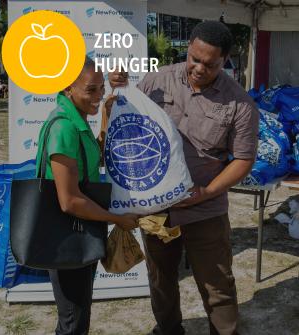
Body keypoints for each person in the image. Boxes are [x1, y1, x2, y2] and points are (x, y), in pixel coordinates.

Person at [109, 21, 259, 335]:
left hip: (205, 209)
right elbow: (127, 123)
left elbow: (243, 160)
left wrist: (205, 192)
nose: (199, 68)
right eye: (194, 58)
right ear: (189, 47)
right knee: (161, 279)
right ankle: (168, 330)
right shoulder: (157, 81)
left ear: (225, 61)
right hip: (156, 209)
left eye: (210, 63)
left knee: (217, 284)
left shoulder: (240, 103)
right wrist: (117, 93)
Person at [36, 57, 139, 335]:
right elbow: (69, 201)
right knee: (73, 322)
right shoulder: (65, 128)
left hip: (79, 232)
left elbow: (99, 157)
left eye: (101, 88)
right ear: (69, 87)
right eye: (91, 90)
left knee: (76, 316)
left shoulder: (76, 119)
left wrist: (106, 112)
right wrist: (116, 218)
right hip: (68, 237)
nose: (98, 96)